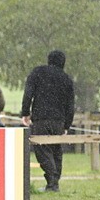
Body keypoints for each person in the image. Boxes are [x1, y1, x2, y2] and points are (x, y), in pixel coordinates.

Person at [21, 50, 75, 192]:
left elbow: (28, 94)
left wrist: (25, 113)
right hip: (58, 120)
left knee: (42, 150)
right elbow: (70, 105)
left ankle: (52, 182)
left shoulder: (38, 72)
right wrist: (67, 125)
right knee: (56, 150)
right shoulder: (66, 79)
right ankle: (54, 182)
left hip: (41, 119)